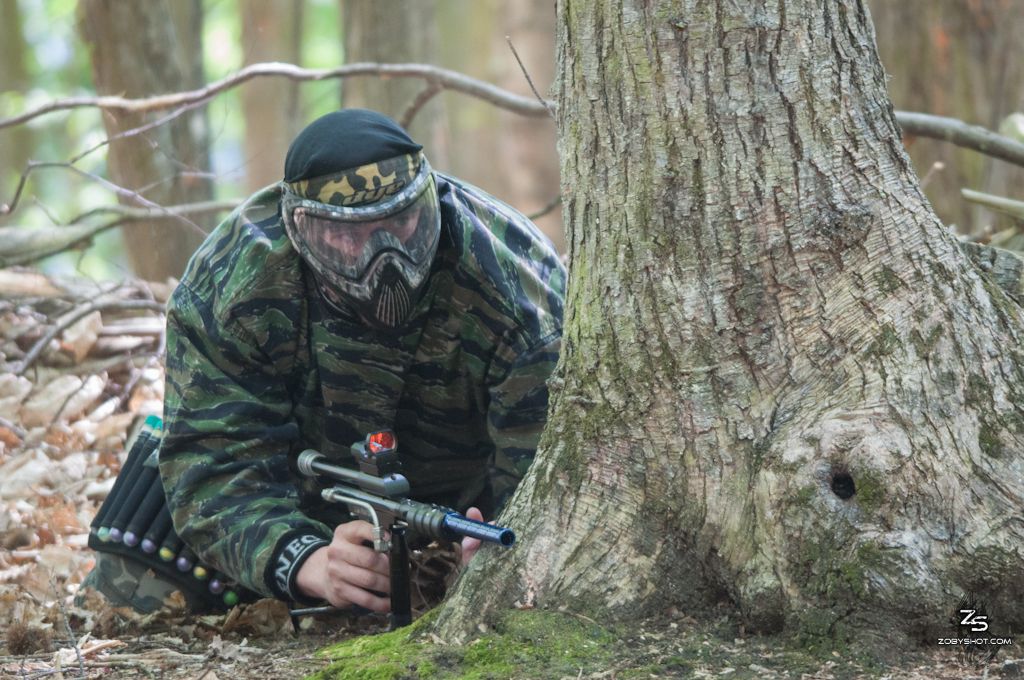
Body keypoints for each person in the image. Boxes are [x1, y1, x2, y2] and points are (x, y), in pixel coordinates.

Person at [82, 109, 565, 614]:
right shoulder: (232, 283)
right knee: (129, 593)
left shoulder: (516, 287)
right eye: (348, 234)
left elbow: (550, 463)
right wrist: (303, 560)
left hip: (461, 503)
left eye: (400, 222)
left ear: (429, 200)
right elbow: (214, 463)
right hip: (294, 497)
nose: (383, 256)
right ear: (299, 227)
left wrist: (501, 549)